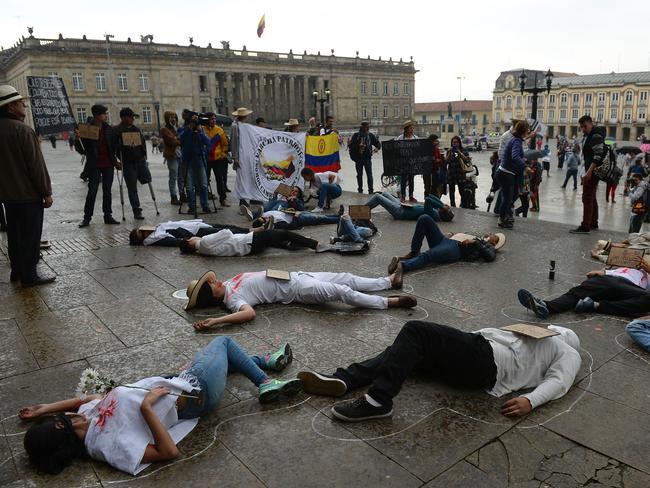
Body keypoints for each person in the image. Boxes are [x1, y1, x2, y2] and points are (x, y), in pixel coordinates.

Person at [19, 337, 302, 475]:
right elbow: (168, 452)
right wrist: (145, 408)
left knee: (215, 360)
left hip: (178, 382)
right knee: (223, 343)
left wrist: (42, 408)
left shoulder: (88, 420)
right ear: (60, 426)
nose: (66, 413)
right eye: (56, 417)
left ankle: (266, 361)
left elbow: (86, 400)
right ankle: (265, 381)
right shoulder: (108, 446)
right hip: (196, 392)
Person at [297, 320, 581, 422]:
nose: (552, 330)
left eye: (556, 330)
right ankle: (345, 380)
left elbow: (560, 380)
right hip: (477, 357)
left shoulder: (566, 350)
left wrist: (531, 400)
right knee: (404, 351)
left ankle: (378, 401)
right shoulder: (538, 336)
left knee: (415, 331)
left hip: (488, 361)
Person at [186, 269, 417, 331]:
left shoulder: (227, 284)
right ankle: (389, 302)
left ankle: (387, 282)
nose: (214, 281)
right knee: (341, 292)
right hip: (299, 290)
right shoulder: (233, 299)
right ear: (210, 294)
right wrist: (217, 321)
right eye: (209, 284)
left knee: (346, 278)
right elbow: (249, 313)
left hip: (298, 275)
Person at [0, 85, 55, 287]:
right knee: (31, 236)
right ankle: (29, 275)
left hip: (7, 195)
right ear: (10, 107)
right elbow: (36, 166)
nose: (24, 105)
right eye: (20, 103)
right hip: (27, 194)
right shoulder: (23, 130)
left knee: (14, 234)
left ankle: (16, 271)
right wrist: (46, 192)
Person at [518, 261, 650, 318]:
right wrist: (600, 272)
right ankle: (547, 307)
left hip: (631, 288)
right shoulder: (620, 268)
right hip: (607, 280)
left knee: (646, 301)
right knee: (578, 293)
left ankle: (596, 305)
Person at [387, 215, 504, 275]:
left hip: (455, 249)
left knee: (429, 254)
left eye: (494, 235)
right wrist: (452, 234)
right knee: (425, 218)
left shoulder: (489, 247)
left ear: (495, 242)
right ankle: (414, 251)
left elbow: (489, 257)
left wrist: (475, 242)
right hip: (446, 240)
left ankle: (403, 266)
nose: (491, 233)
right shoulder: (479, 236)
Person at [76, 104, 121, 227]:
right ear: (97, 115)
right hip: (94, 164)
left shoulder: (108, 129)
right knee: (92, 191)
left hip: (108, 164)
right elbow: (82, 150)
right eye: (104, 114)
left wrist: (117, 161)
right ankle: (87, 217)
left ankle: (108, 215)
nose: (106, 115)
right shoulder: (88, 129)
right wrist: (78, 139)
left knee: (107, 191)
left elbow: (114, 147)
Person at [570, 115, 606, 234]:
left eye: (585, 126)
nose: (583, 129)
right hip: (590, 170)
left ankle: (585, 225)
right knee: (591, 196)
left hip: (593, 171)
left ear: (591, 123)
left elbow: (597, 156)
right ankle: (593, 222)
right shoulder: (590, 135)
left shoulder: (595, 135)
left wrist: (588, 172)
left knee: (587, 197)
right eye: (581, 127)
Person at [179, 228, 327, 256]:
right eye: (191, 238)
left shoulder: (203, 250)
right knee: (285, 233)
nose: (194, 237)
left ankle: (290, 245)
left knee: (275, 238)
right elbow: (227, 233)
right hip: (249, 241)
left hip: (248, 247)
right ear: (190, 242)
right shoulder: (204, 243)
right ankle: (316, 245)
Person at [114, 108, 151, 220]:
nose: (133, 119)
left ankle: (141, 207)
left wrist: (144, 155)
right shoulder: (117, 130)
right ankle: (136, 210)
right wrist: (124, 147)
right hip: (128, 162)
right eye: (131, 117)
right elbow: (115, 147)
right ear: (124, 118)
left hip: (140, 160)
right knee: (132, 187)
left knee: (147, 179)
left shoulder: (136, 129)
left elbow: (143, 143)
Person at [129, 219, 262, 247]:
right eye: (142, 233)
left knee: (224, 225)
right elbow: (177, 241)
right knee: (226, 231)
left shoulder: (156, 228)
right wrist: (194, 239)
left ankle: (251, 229)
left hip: (194, 224)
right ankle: (255, 232)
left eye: (141, 229)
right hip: (195, 231)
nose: (144, 231)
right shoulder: (155, 238)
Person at [496, 120, 529, 229]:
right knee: (507, 198)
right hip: (506, 173)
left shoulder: (516, 140)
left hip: (506, 172)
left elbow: (515, 156)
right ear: (523, 131)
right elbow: (515, 157)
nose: (528, 131)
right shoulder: (516, 141)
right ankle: (502, 219)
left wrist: (523, 159)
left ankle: (506, 217)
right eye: (527, 129)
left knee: (511, 197)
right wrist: (525, 166)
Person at [180, 115, 211, 214]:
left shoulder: (200, 131)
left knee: (203, 184)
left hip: (199, 159)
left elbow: (207, 142)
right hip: (188, 160)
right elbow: (183, 141)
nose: (194, 124)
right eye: (192, 122)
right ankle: (192, 207)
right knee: (189, 186)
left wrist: (200, 131)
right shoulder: (185, 131)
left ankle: (205, 205)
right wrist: (189, 130)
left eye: (195, 122)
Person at [365, 191, 454, 222]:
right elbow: (431, 195)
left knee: (377, 197)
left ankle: (359, 212)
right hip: (402, 206)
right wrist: (441, 204)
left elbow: (428, 199)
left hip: (400, 212)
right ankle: (360, 211)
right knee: (384, 193)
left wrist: (442, 206)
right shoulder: (436, 211)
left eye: (446, 209)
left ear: (443, 212)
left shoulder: (434, 215)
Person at [204, 113, 230, 207]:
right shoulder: (202, 129)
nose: (214, 120)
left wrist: (223, 154)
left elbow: (225, 144)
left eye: (214, 119)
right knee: (205, 180)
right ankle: (204, 199)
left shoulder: (219, 130)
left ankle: (223, 199)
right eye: (211, 119)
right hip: (206, 159)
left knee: (220, 179)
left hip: (217, 159)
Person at [230, 107, 253, 212]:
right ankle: (242, 200)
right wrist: (235, 157)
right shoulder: (235, 126)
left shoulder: (243, 126)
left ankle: (245, 199)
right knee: (242, 178)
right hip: (240, 156)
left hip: (245, 155)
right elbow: (233, 142)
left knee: (246, 177)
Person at [348, 122, 381, 194]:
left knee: (369, 175)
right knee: (359, 175)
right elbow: (351, 146)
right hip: (358, 159)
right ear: (361, 127)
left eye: (367, 127)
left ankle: (371, 190)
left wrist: (376, 149)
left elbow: (378, 144)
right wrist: (358, 145)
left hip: (367, 159)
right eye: (365, 127)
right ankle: (360, 190)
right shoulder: (356, 135)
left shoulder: (370, 135)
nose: (366, 128)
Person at [160, 111, 183, 205]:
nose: (173, 119)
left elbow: (181, 139)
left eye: (174, 117)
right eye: (171, 117)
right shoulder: (164, 129)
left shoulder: (178, 128)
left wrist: (176, 138)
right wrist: (178, 139)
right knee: (173, 176)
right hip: (172, 156)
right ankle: (173, 196)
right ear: (167, 119)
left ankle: (182, 194)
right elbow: (171, 141)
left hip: (181, 154)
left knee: (181, 177)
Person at [251, 207, 343, 230]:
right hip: (298, 218)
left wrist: (287, 210)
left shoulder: (266, 214)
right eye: (263, 220)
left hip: (294, 213)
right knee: (321, 218)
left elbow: (279, 212)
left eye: (262, 218)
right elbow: (292, 226)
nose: (265, 218)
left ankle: (337, 215)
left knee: (320, 215)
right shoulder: (275, 224)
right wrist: (296, 216)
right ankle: (340, 219)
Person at [446, 135, 472, 208]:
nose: (455, 144)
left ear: (459, 143)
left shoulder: (463, 150)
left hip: (460, 172)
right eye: (454, 142)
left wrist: (459, 152)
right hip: (451, 172)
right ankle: (453, 205)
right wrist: (449, 153)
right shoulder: (449, 150)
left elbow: (467, 160)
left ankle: (463, 205)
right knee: (451, 191)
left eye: (457, 142)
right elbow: (446, 162)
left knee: (462, 190)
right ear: (452, 143)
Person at [396, 121, 418, 203]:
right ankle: (403, 196)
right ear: (406, 129)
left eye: (413, 128)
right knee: (403, 179)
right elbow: (396, 149)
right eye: (410, 128)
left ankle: (411, 196)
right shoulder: (400, 138)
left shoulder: (415, 137)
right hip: (403, 162)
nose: (412, 130)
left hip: (412, 163)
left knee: (411, 180)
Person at [424, 134, 446, 198]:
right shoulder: (428, 149)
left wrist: (439, 160)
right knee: (428, 187)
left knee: (434, 187)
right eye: (435, 141)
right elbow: (433, 160)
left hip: (435, 170)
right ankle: (427, 201)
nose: (437, 142)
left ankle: (433, 201)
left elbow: (438, 159)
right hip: (428, 171)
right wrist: (439, 160)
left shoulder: (436, 149)